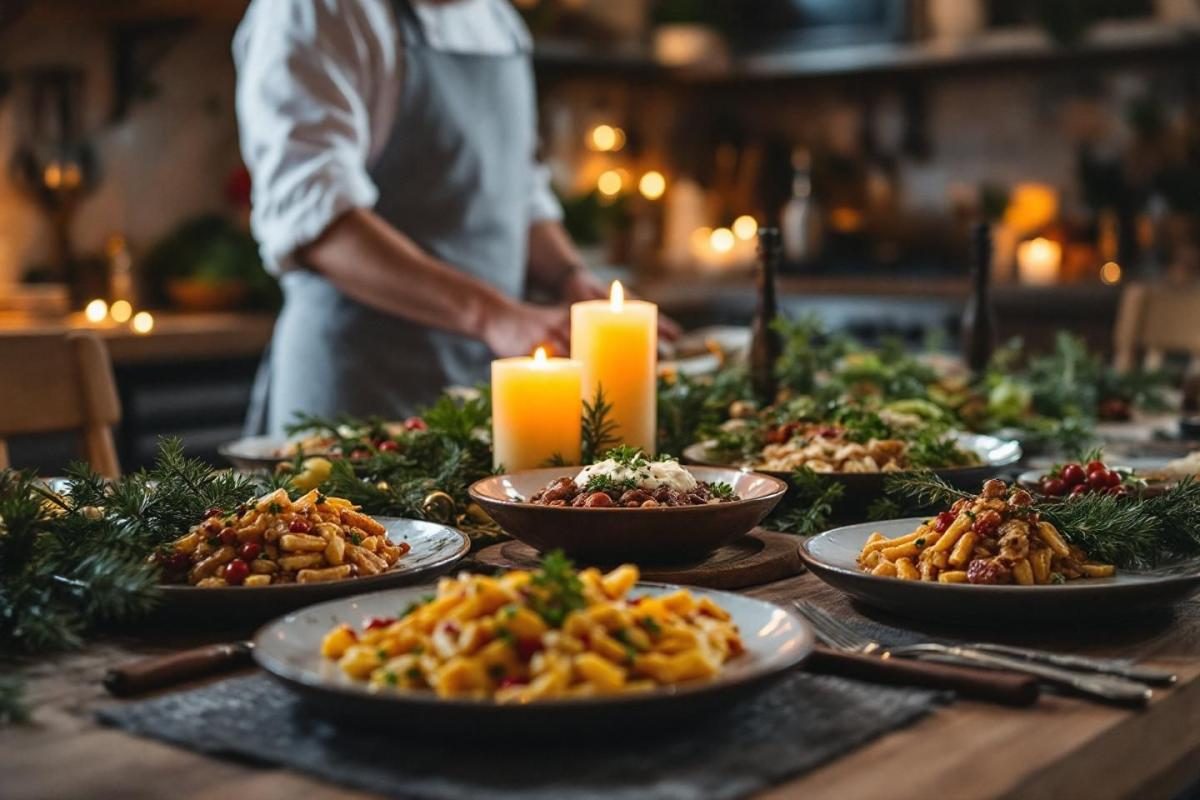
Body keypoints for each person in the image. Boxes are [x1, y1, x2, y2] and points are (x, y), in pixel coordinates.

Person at [234, 0, 658, 435]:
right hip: (357, 398)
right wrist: (496, 317)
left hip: (477, 398)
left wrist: (571, 278)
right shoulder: (317, 10)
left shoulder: (499, 21)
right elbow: (318, 220)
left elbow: (520, 192)